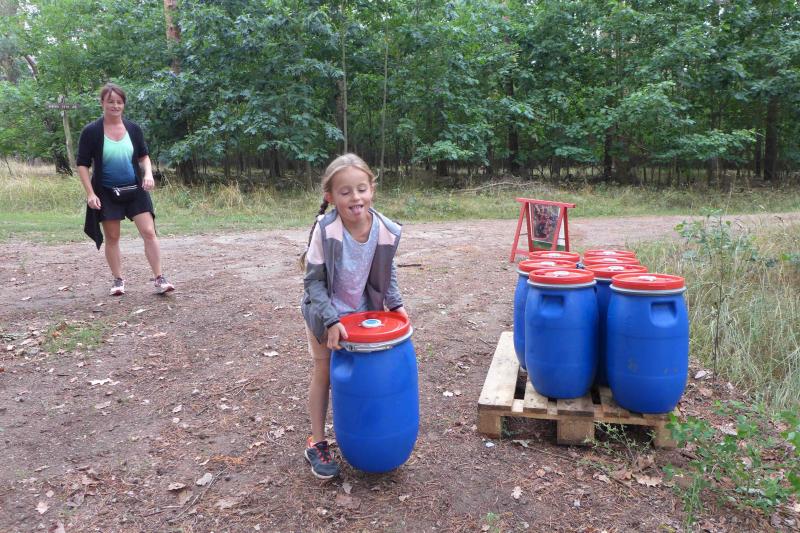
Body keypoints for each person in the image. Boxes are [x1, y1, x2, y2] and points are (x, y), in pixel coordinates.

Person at [300, 153, 407, 479]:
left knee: (364, 378)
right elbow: (313, 283)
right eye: (345, 192)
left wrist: (396, 305)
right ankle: (317, 442)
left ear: (372, 189)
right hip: (323, 314)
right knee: (325, 372)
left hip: (362, 317)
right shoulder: (326, 230)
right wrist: (331, 320)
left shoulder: (385, 229)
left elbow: (386, 272)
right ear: (331, 197)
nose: (355, 197)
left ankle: (364, 434)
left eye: (361, 189)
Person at [77, 83, 174, 296]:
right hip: (106, 192)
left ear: (124, 104)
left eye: (119, 102)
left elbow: (144, 156)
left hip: (135, 189)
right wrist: (90, 193)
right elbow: (82, 164)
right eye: (110, 101)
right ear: (102, 103)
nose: (115, 105)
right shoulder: (91, 131)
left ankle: (160, 278)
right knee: (112, 237)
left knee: (149, 232)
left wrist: (148, 174)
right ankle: (118, 280)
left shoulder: (133, 129)